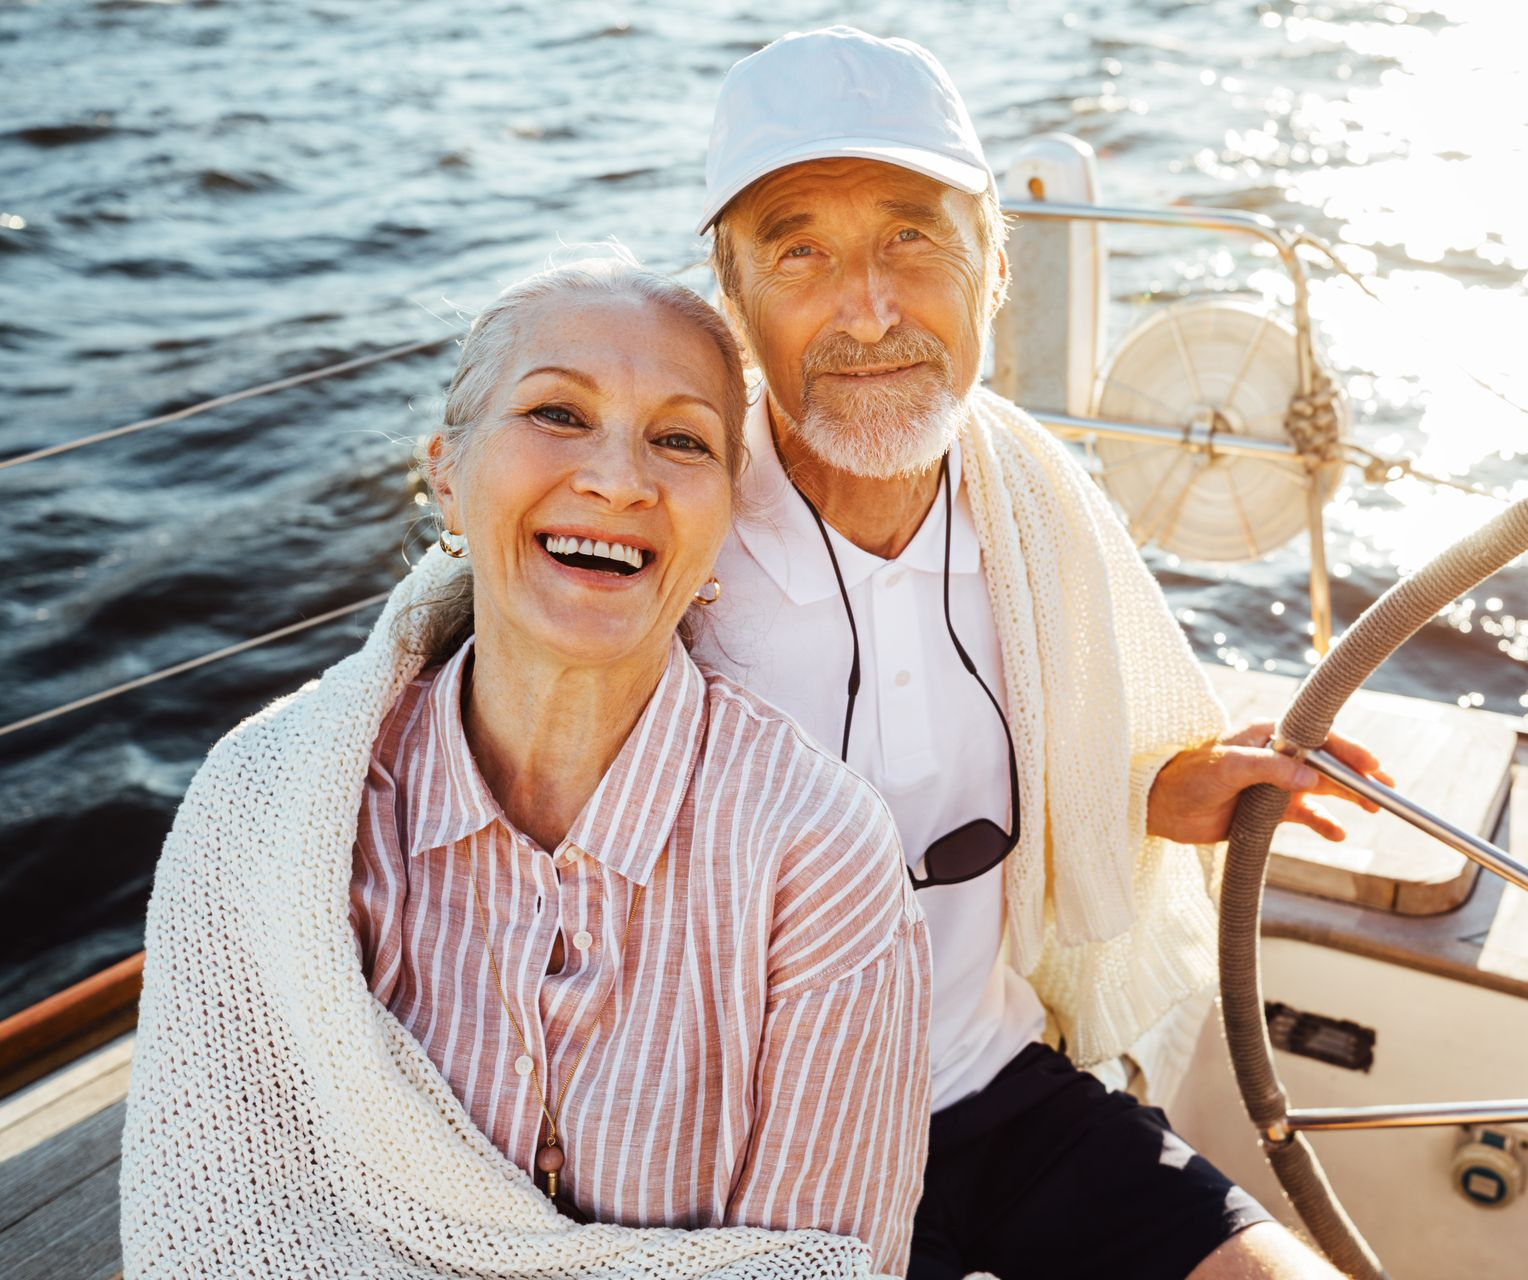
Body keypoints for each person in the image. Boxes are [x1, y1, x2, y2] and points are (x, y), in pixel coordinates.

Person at [691, 27, 1391, 1280]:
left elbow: (1073, 774)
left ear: (994, 268)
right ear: (732, 303)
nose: (869, 307)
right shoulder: (667, 531)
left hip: (999, 1090)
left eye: (915, 237)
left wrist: (1166, 792)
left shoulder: (1028, 498)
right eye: (800, 250)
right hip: (741, 1165)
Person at [119, 255, 931, 1279]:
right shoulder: (260, 809)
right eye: (556, 413)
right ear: (446, 477)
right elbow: (215, 1234)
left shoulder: (818, 851)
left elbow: (822, 1263)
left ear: (723, 515)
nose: (618, 477)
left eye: (680, 439)